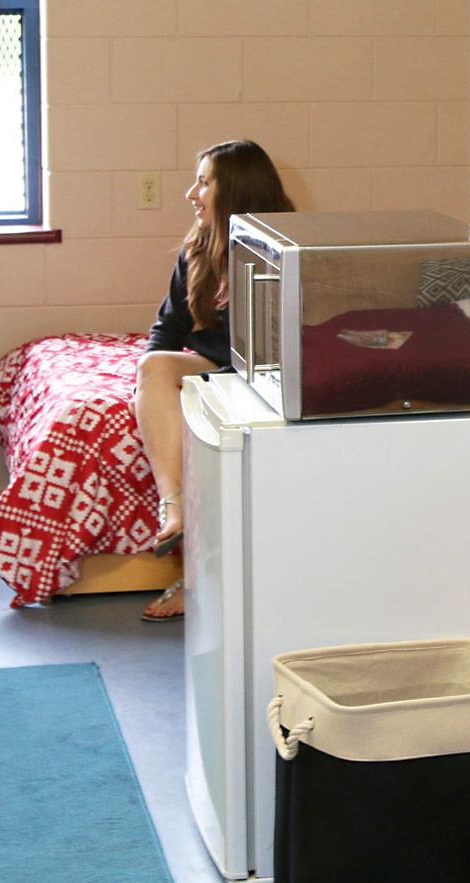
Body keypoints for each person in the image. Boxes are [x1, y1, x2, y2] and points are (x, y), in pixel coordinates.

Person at [133, 140, 294, 622]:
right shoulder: (197, 250)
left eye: (204, 181)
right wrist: (152, 384)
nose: (192, 193)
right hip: (220, 372)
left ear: (236, 190)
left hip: (269, 377)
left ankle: (200, 583)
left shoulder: (287, 248)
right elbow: (167, 332)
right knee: (153, 368)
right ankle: (173, 507)